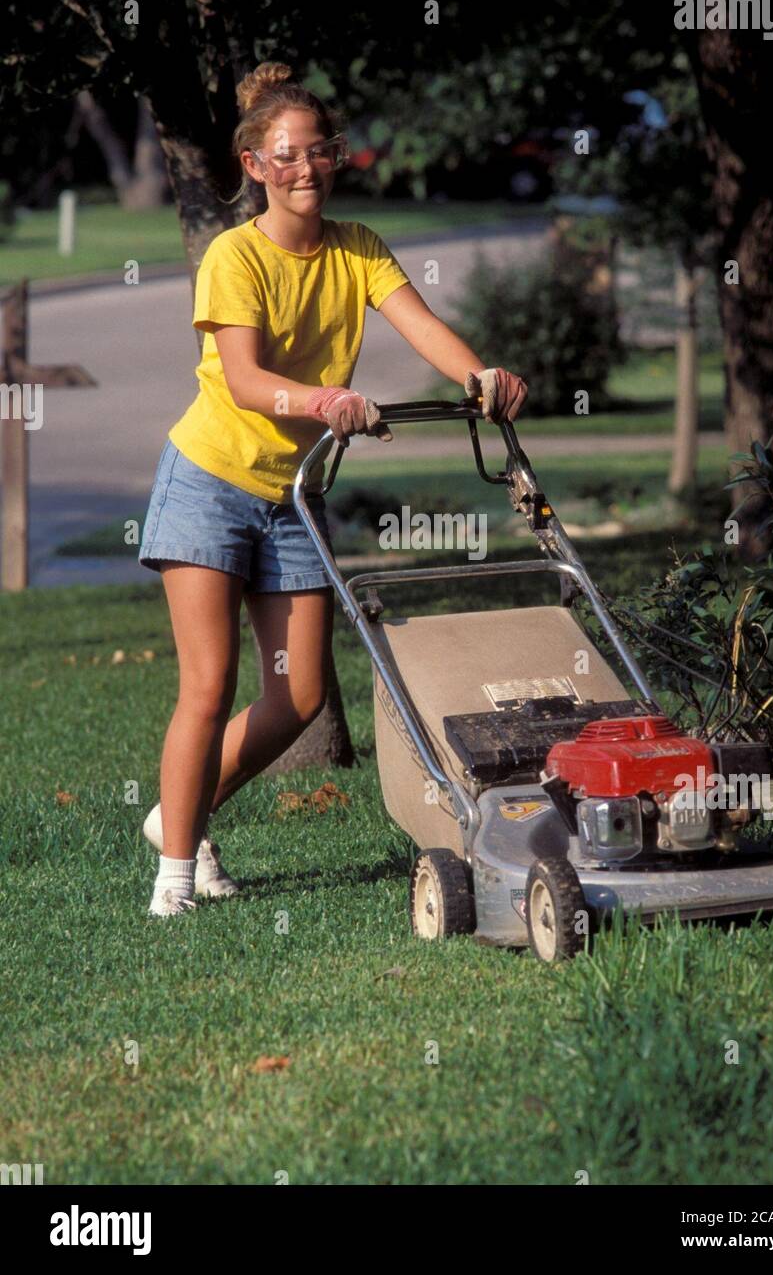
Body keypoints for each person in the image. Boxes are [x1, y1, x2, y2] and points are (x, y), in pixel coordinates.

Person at [138, 60, 528, 916]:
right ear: (253, 165)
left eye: (320, 154)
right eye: (286, 157)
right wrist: (323, 399)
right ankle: (174, 875)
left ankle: (179, 814)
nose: (305, 170)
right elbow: (241, 380)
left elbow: (423, 326)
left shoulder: (358, 249)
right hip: (208, 483)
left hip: (293, 495)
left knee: (301, 694)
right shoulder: (234, 257)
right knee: (207, 687)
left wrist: (481, 374)